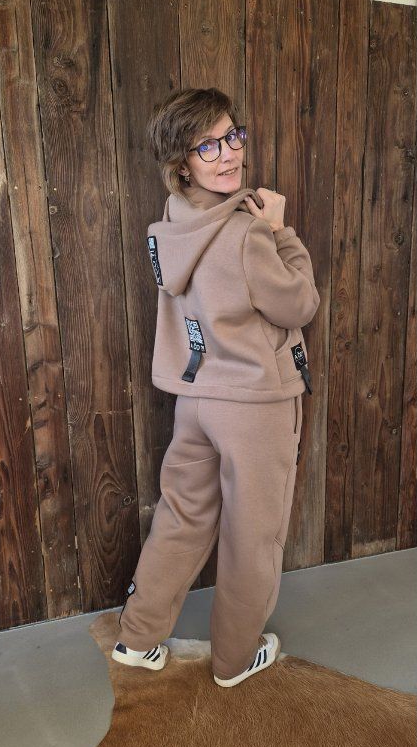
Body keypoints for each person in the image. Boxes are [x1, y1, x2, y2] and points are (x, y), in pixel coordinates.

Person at [111, 87, 319, 688]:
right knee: (253, 534)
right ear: (182, 163)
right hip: (254, 405)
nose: (228, 154)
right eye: (208, 146)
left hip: (196, 399)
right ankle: (233, 660)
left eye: (232, 137)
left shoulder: (172, 225)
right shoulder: (247, 233)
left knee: (182, 518)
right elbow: (299, 305)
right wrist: (280, 231)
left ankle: (137, 639)